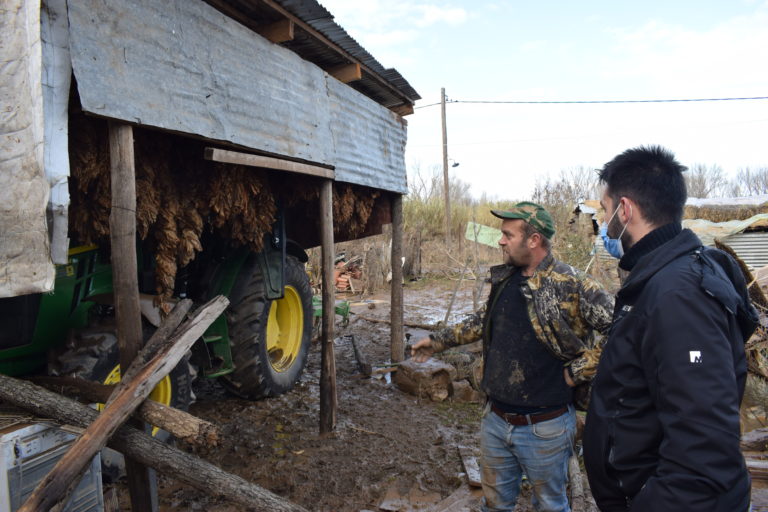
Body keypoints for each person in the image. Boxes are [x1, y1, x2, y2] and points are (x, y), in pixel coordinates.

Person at [583, 146, 758, 512]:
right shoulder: (657, 281)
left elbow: (703, 455)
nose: (602, 221)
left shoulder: (679, 295)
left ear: (625, 209)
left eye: (604, 208)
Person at [411, 202, 614, 512]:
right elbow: (483, 320)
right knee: (494, 505)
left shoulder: (573, 284)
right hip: (496, 420)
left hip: (546, 427)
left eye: (508, 234)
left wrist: (577, 370)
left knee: (550, 506)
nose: (501, 241)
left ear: (533, 240)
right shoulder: (505, 278)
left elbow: (624, 332)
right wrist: (437, 342)